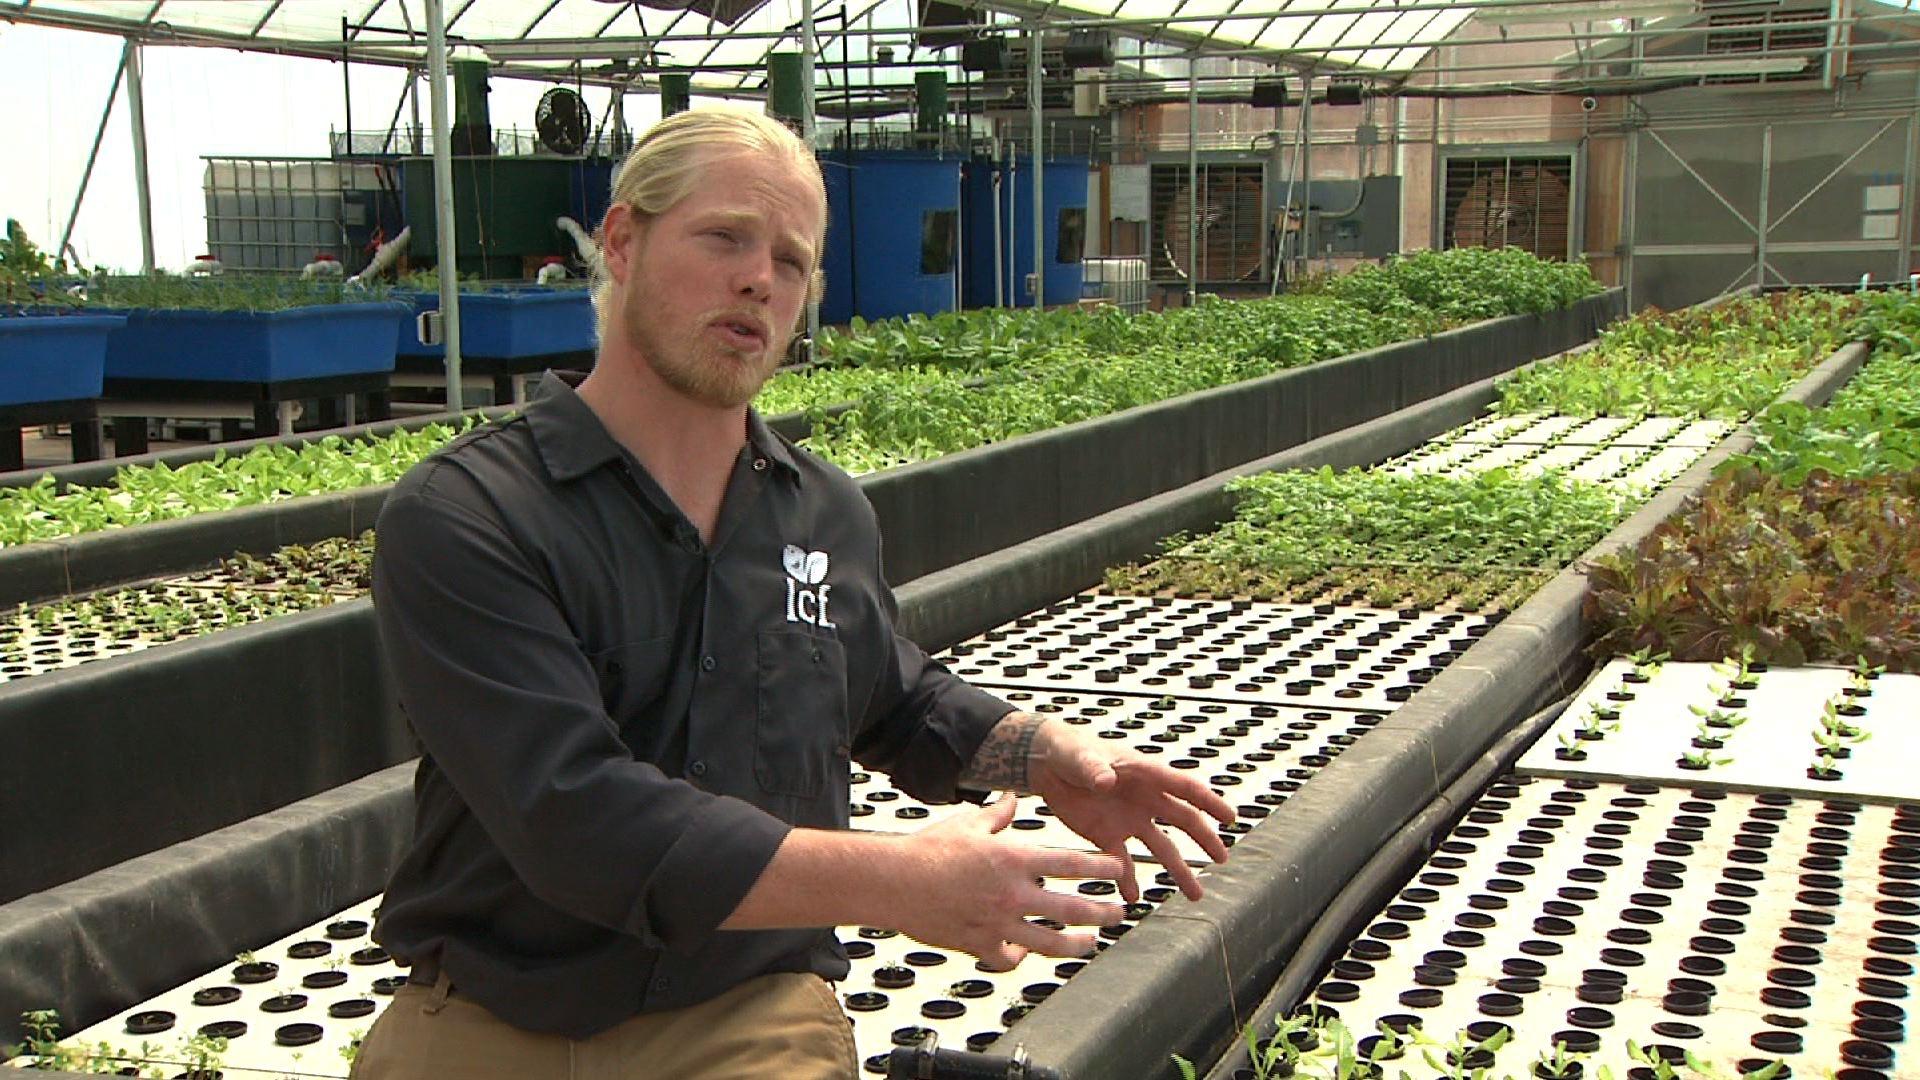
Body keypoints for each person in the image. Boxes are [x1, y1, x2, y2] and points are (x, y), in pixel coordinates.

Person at [350, 107, 1235, 1080]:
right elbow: (574, 816)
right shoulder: (472, 513)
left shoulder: (824, 514)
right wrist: (898, 881)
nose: (756, 280)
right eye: (724, 236)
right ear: (622, 241)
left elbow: (885, 694)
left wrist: (1047, 758)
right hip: (491, 1019)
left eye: (791, 259)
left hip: (747, 1015)